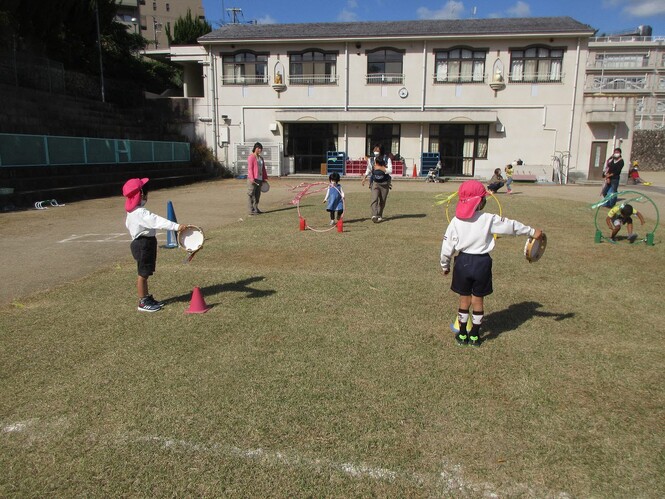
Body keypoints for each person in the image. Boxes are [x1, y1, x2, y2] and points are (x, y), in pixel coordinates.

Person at [440, 180, 543, 347]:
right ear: (480, 201)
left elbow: (447, 247)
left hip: (463, 262)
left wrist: (445, 265)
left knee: (464, 300)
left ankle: (463, 334)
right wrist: (532, 231)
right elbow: (511, 226)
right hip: (482, 263)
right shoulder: (488, 219)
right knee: (478, 300)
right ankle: (475, 336)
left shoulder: (455, 221)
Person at [122, 178, 186, 312]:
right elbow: (157, 221)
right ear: (141, 194)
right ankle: (143, 302)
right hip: (143, 244)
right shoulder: (140, 212)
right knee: (142, 274)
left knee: (145, 272)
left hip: (142, 243)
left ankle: (146, 297)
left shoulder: (132, 212)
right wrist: (177, 226)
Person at [362, 144, 393, 223]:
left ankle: (379, 215)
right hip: (375, 182)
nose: (375, 152)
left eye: (377, 150)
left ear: (381, 151)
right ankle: (374, 215)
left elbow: (390, 170)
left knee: (382, 201)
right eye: (374, 150)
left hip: (385, 183)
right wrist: (364, 178)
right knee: (374, 199)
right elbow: (368, 169)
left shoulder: (387, 159)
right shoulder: (371, 160)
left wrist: (380, 168)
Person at [247, 142, 268, 215]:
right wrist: (251, 178)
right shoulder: (251, 157)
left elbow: (263, 169)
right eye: (258, 148)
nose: (260, 150)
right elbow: (250, 168)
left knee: (257, 194)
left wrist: (264, 178)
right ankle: (251, 210)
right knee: (251, 194)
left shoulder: (261, 158)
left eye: (261, 149)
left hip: (259, 178)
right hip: (253, 178)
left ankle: (256, 208)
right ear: (255, 148)